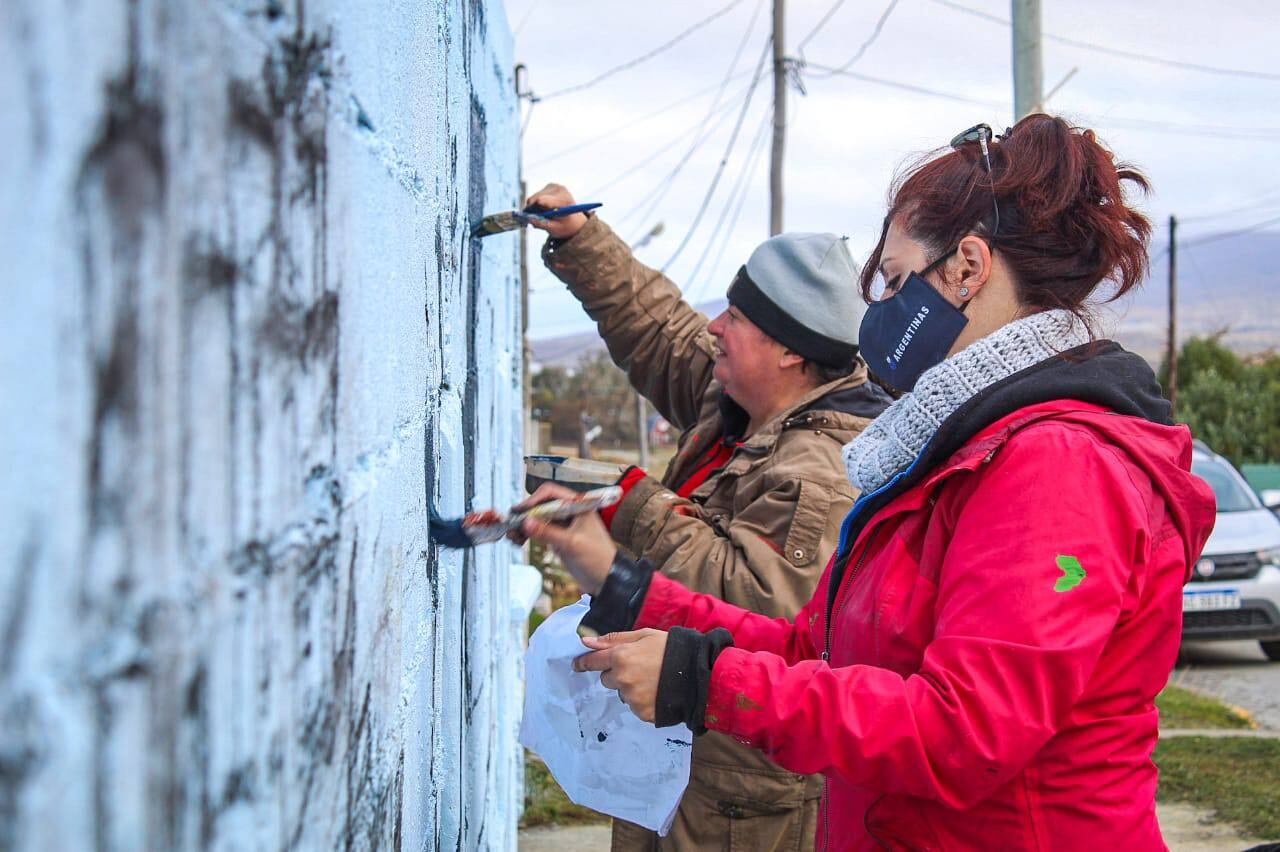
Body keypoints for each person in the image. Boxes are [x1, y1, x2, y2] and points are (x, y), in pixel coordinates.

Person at [515, 115, 1217, 850]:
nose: (874, 314)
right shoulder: (954, 445)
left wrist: (704, 682)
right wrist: (635, 594)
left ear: (968, 268)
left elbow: (965, 731)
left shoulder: (1055, 465)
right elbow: (814, 648)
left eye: (892, 280)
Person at [525, 184, 892, 850]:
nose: (715, 328)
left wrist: (624, 502)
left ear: (789, 351)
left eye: (737, 317)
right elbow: (660, 329)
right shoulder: (746, 400)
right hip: (687, 758)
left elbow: (753, 604)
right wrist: (582, 241)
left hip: (739, 800)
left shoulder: (820, 471)